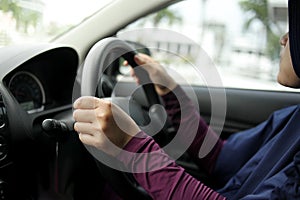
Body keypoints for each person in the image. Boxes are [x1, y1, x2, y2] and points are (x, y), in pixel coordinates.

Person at [73, 0, 300, 199]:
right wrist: (171, 92)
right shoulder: (293, 117)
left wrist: (132, 146)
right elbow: (222, 160)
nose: (284, 39)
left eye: (293, 28)